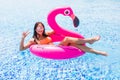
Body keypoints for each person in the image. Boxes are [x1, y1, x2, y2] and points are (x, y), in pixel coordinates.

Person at [20, 22, 108, 56]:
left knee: (75, 44)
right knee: (67, 39)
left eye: (42, 27)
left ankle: (97, 52)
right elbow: (21, 49)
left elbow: (56, 30)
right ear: (35, 29)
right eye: (38, 28)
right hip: (51, 51)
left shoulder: (46, 33)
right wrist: (23, 38)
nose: (40, 29)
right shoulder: (33, 40)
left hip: (57, 47)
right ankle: (90, 40)